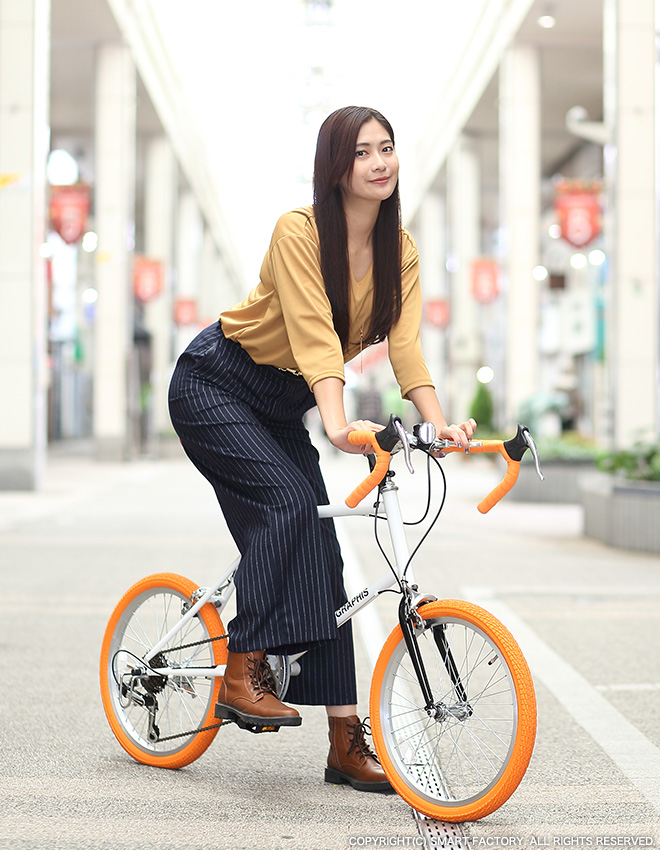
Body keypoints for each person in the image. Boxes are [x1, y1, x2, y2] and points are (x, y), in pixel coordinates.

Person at [168, 105, 476, 793]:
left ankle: (344, 743)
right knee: (286, 504)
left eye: (387, 148)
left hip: (282, 405)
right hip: (216, 382)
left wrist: (439, 423)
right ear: (335, 167)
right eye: (363, 151)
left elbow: (405, 347)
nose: (379, 162)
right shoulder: (298, 231)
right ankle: (242, 663)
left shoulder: (403, 251)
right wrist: (338, 424)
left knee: (325, 559)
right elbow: (313, 337)